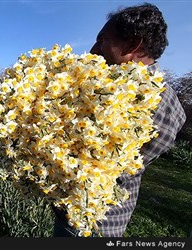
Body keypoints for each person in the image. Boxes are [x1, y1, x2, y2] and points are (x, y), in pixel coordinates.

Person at [52, 3, 186, 237]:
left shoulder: (151, 98)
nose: (94, 48)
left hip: (94, 220)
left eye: (102, 39)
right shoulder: (113, 83)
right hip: (87, 211)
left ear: (133, 44)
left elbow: (112, 166)